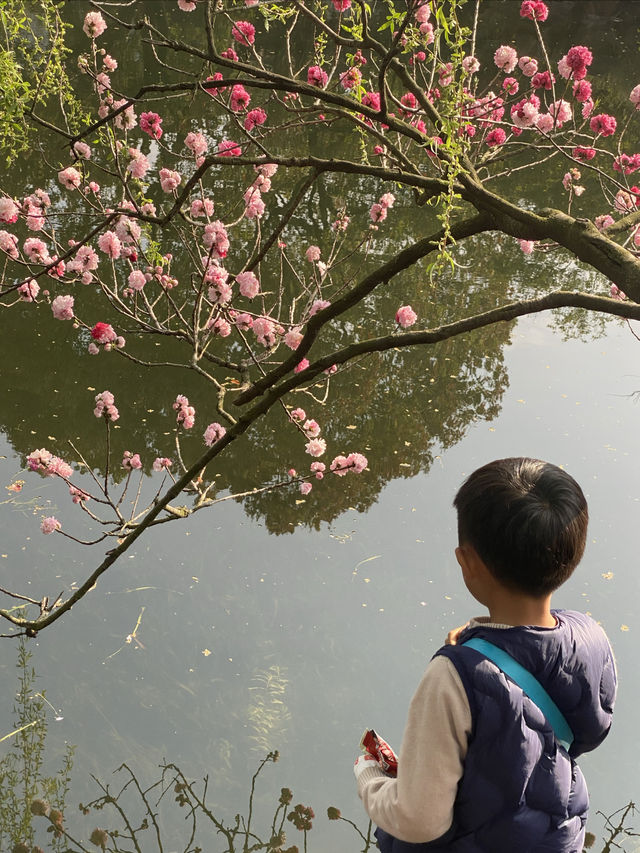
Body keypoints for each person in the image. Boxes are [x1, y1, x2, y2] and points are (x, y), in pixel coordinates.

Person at [354, 457, 617, 853]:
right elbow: (580, 727)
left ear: (467, 561)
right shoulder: (591, 637)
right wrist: (480, 647)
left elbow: (419, 821)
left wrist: (371, 777)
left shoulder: (451, 677)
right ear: (571, 557)